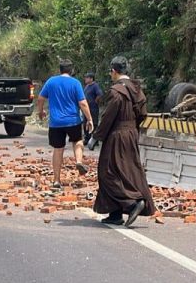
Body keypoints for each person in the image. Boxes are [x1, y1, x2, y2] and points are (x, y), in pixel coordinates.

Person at [91, 56, 156, 227]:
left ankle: (132, 203)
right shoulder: (137, 90)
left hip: (116, 135)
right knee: (128, 171)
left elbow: (108, 117)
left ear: (114, 71)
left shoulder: (117, 91)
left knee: (107, 172)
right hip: (132, 134)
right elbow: (143, 114)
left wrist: (96, 137)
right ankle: (115, 214)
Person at [37, 59, 94, 188]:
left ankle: (56, 180)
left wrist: (40, 112)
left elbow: (40, 98)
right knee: (77, 141)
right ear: (71, 70)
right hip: (72, 120)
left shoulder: (51, 81)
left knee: (58, 150)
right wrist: (89, 119)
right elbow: (83, 103)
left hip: (56, 122)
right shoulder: (75, 83)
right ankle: (78, 161)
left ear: (60, 69)